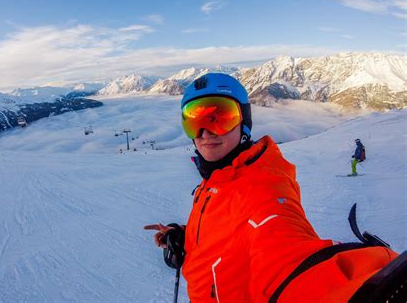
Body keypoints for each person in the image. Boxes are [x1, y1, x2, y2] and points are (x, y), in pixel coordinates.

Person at [144, 73, 403, 302]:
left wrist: (376, 288)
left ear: (244, 122)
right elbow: (226, 233)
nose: (205, 132)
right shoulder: (216, 180)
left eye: (220, 117)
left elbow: (286, 259)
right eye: (194, 122)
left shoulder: (264, 186)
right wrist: (184, 238)